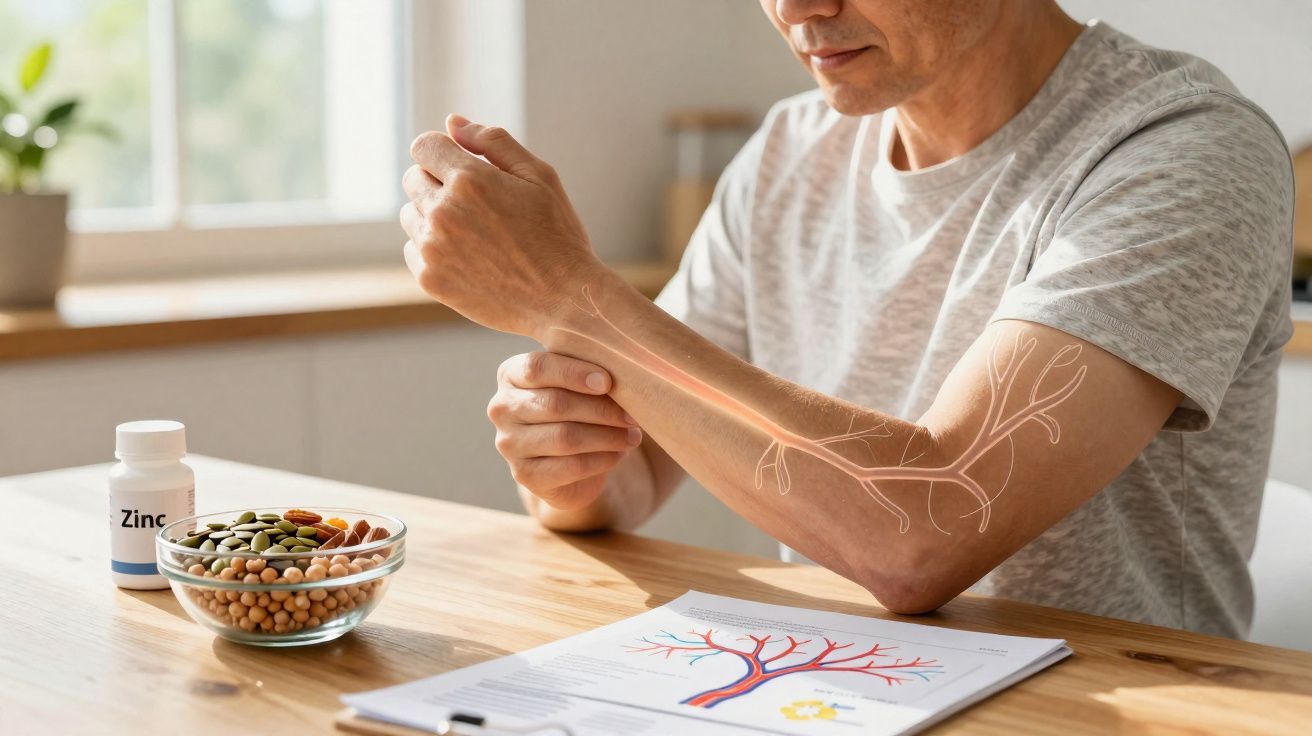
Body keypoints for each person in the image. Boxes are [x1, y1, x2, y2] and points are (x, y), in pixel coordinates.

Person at [398, 0, 1294, 639]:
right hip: (829, 695)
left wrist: (572, 300)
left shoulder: (1184, 148)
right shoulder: (790, 154)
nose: (796, 8)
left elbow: (923, 537)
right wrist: (568, 458)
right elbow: (628, 476)